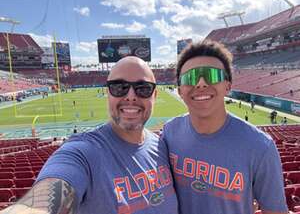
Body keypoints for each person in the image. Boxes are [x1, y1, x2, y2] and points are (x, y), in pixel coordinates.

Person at [0, 56, 178, 214]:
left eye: (143, 88)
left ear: (154, 95)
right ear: (108, 93)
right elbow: (48, 195)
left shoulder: (162, 146)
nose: (131, 96)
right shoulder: (83, 152)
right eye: (119, 87)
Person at [162, 40, 288, 214]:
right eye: (190, 77)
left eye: (212, 75)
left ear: (228, 85)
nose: (200, 84)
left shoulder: (261, 146)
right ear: (180, 90)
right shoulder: (169, 132)